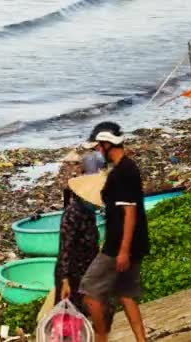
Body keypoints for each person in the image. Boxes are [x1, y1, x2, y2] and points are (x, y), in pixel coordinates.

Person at [78, 122, 149, 342]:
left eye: (99, 147)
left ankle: (101, 335)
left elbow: (129, 212)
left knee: (89, 291)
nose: (99, 151)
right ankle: (141, 340)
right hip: (134, 242)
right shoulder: (127, 168)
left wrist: (123, 251)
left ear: (108, 144)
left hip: (119, 245)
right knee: (126, 294)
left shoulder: (122, 172)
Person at [55, 160, 102, 313]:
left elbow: (91, 241)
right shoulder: (72, 214)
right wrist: (65, 280)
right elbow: (65, 250)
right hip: (71, 275)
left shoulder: (89, 212)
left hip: (87, 272)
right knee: (69, 315)